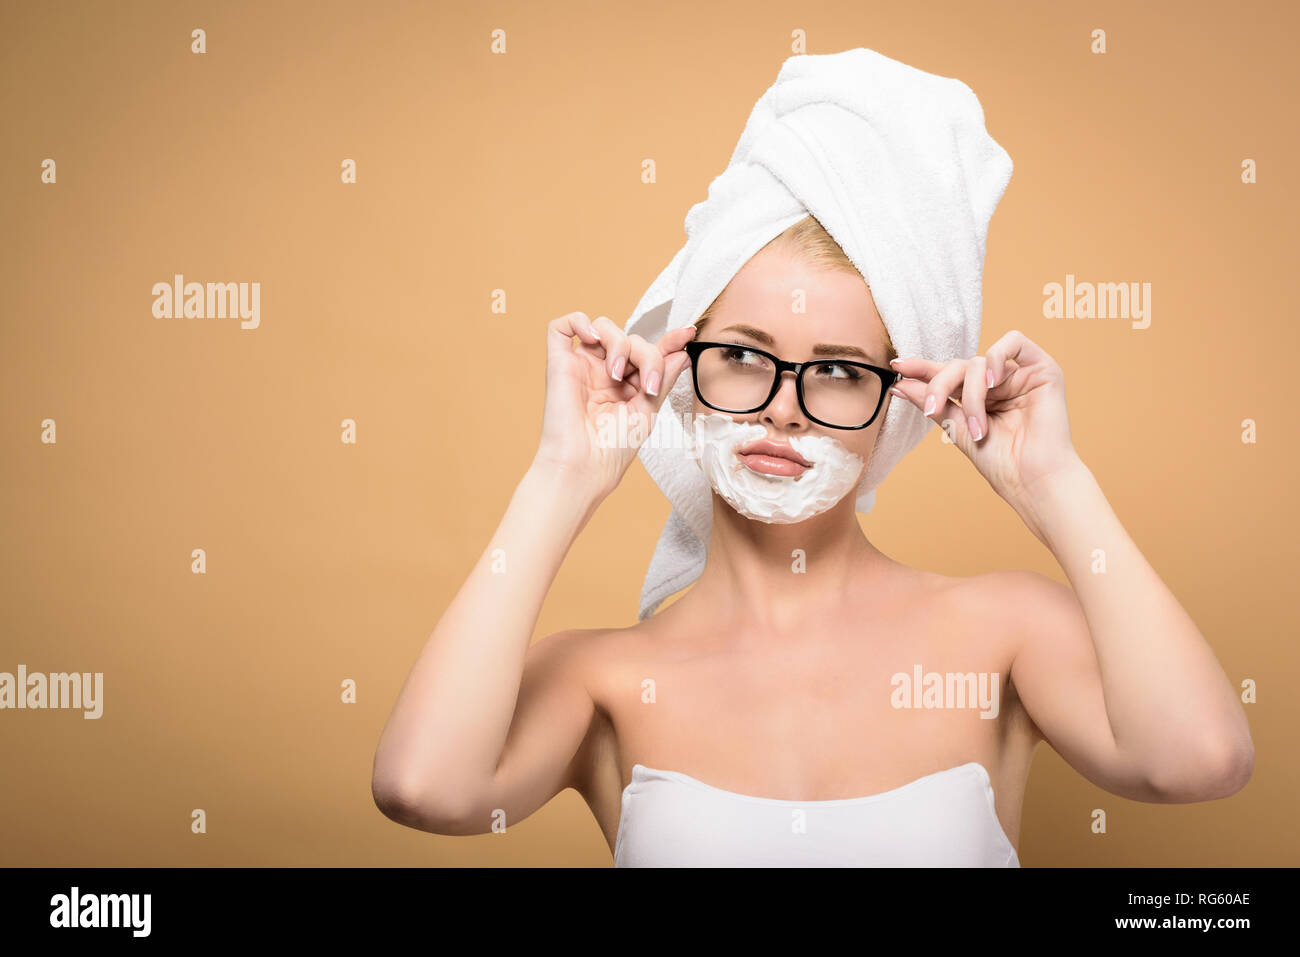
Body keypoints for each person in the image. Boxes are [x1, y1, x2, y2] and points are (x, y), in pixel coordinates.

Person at [371, 215, 1254, 866]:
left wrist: (1053, 482)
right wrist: (565, 471)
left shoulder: (1004, 631)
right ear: (682, 374)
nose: (782, 405)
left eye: (836, 369)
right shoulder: (601, 679)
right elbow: (424, 788)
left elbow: (1200, 760)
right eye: (746, 355)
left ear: (898, 403)